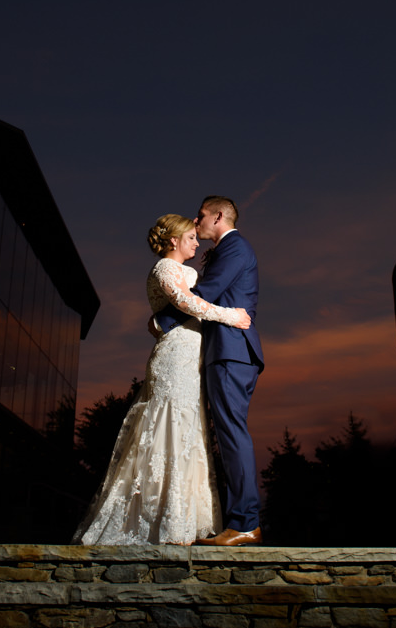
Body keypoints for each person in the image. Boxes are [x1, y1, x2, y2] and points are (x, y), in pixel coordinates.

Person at [73, 213, 251, 546]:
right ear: (173, 240)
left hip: (191, 356)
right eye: (191, 238)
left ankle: (180, 516)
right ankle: (153, 519)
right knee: (167, 426)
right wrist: (229, 316)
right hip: (174, 358)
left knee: (188, 430)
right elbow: (185, 302)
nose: (197, 243)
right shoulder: (164, 269)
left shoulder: (184, 269)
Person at [155, 195, 265, 547]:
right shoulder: (229, 249)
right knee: (229, 434)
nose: (196, 220)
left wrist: (163, 320)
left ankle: (245, 523)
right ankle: (239, 521)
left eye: (201, 216)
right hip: (225, 351)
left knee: (232, 434)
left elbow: (207, 291)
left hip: (232, 351)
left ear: (219, 216)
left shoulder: (235, 248)